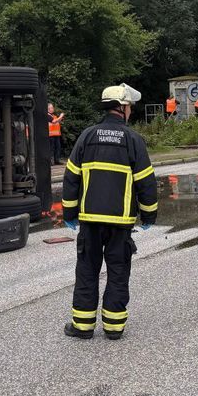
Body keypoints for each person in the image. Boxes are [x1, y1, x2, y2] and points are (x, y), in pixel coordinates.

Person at [61, 84, 158, 340]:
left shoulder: (86, 136)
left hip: (90, 220)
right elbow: (146, 182)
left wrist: (69, 213)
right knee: (118, 271)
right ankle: (114, 327)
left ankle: (82, 326)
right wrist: (149, 215)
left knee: (87, 270)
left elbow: (71, 178)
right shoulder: (133, 140)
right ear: (123, 107)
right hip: (120, 223)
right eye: (130, 107)